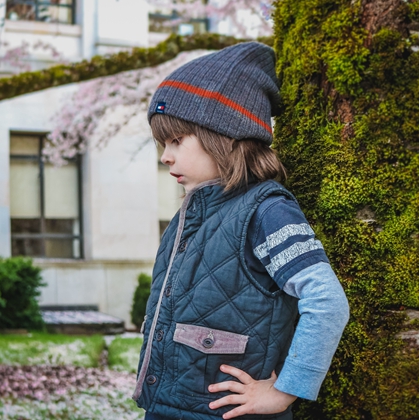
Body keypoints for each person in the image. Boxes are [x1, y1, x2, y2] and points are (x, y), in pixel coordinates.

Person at [133, 41, 349, 420]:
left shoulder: (266, 211)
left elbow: (327, 302)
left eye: (176, 140)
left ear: (224, 135)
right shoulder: (190, 215)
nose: (165, 156)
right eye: (162, 143)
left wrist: (284, 391)